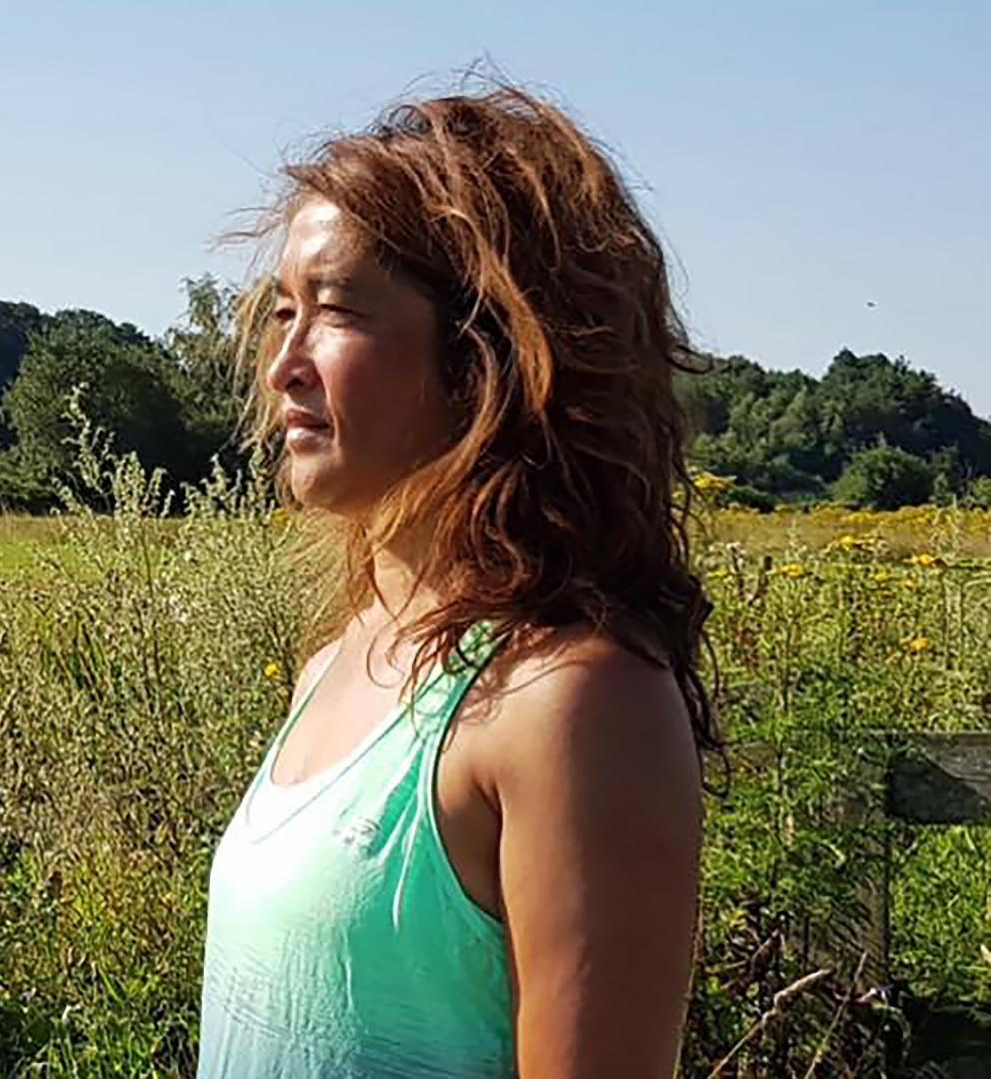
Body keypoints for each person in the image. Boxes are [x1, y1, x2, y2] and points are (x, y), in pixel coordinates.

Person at [198, 82, 718, 1078]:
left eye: (336, 311)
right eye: (282, 313)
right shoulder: (336, 661)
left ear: (491, 356)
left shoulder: (574, 701)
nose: (284, 365)